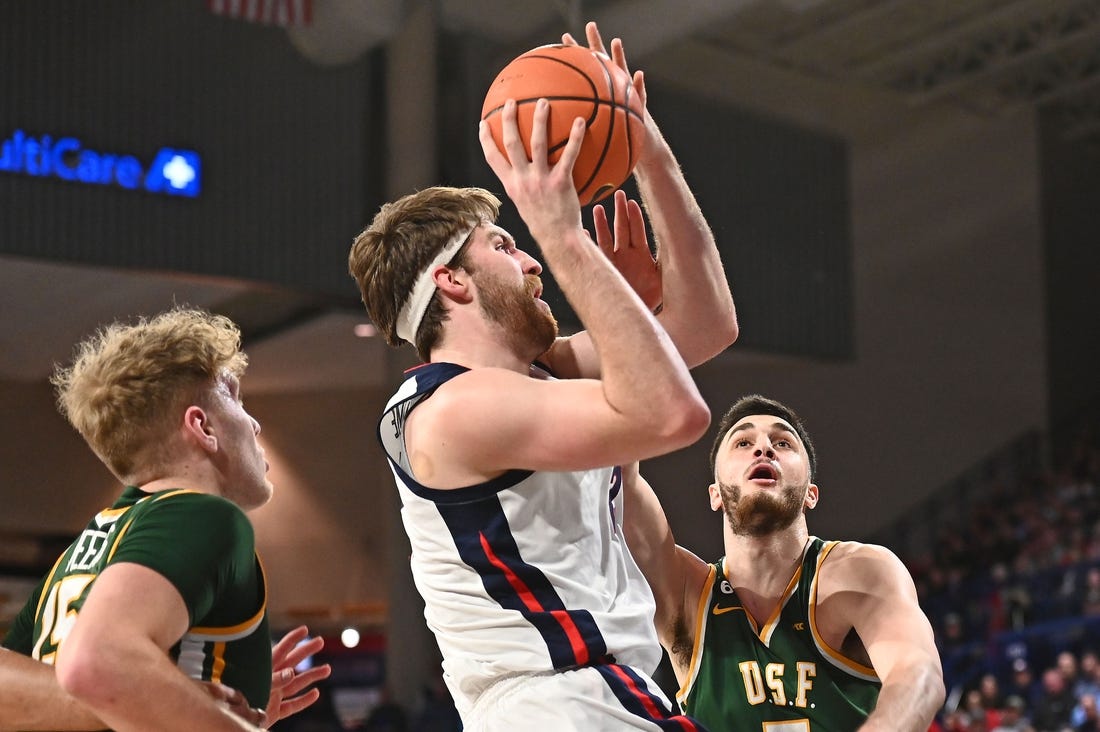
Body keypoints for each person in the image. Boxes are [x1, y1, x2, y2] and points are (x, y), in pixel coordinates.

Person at [347, 20, 736, 732]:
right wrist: (565, 240)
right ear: (452, 284)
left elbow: (708, 326)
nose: (530, 262)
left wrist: (647, 150)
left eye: (527, 244)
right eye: (503, 245)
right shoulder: (450, 411)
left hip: (602, 695)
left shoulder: (540, 374)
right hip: (552, 704)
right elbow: (672, 414)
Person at [0, 307, 330, 731]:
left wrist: (185, 704)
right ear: (202, 426)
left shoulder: (86, 550)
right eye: (236, 397)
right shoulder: (202, 514)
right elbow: (97, 662)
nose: (254, 422)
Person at [623, 394, 945, 731]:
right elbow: (620, 477)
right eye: (743, 442)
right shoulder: (685, 596)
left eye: (783, 442)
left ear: (811, 493)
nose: (764, 448)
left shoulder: (857, 572)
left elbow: (918, 674)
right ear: (715, 493)